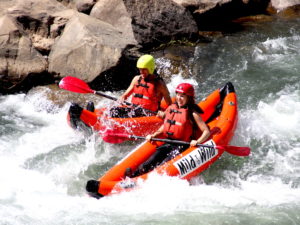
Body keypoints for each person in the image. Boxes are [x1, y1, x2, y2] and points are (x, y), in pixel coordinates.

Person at [130, 83, 211, 177]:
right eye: (178, 95)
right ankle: (131, 177)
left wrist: (197, 141)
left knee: (162, 166)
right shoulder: (171, 108)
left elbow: (206, 131)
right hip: (168, 143)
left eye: (182, 96)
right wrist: (153, 135)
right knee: (147, 164)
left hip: (182, 146)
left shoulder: (192, 113)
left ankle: (146, 180)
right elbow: (166, 125)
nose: (179, 98)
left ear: (189, 97)